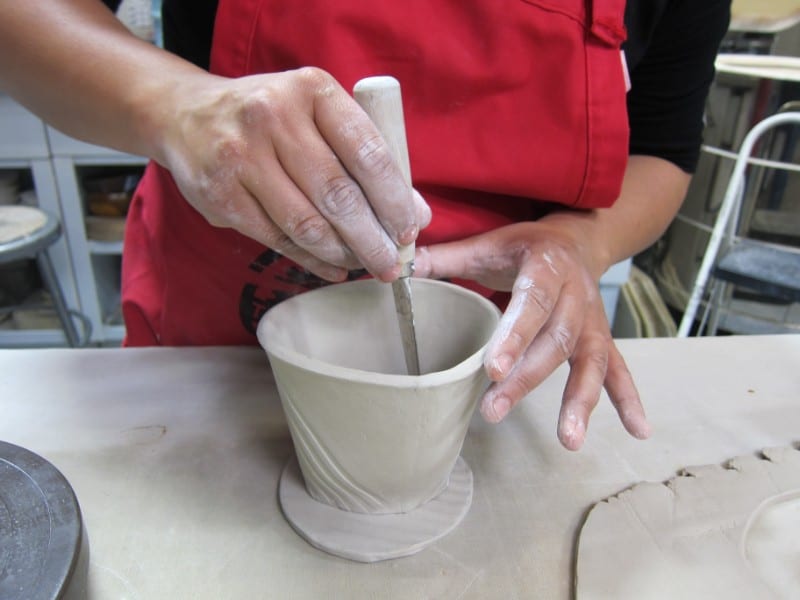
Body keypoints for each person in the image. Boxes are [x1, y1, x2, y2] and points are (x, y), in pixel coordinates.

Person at [0, 0, 731, 450]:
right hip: (217, 334)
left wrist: (585, 241)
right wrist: (173, 103)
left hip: (488, 372)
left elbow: (663, 149)